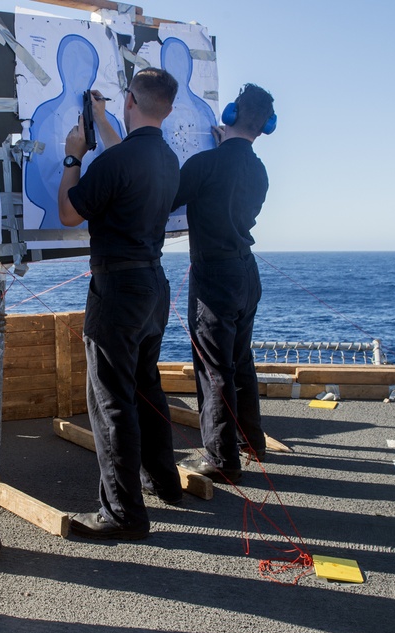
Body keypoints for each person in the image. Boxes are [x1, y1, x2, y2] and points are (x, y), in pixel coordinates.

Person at [58, 68, 184, 540]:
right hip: (154, 287)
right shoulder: (167, 159)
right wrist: (103, 119)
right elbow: (125, 156)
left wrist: (73, 155)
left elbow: (69, 212)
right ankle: (164, 482)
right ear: (166, 109)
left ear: (130, 99)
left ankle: (123, 514)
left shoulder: (115, 162)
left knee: (111, 401)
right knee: (147, 389)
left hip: (118, 291)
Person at [173, 84, 275, 484]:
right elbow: (231, 178)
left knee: (214, 369)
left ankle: (221, 459)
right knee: (239, 360)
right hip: (247, 274)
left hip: (214, 275)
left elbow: (168, 198)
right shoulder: (259, 169)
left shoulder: (205, 164)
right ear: (266, 126)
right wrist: (222, 153)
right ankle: (252, 441)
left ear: (230, 114)